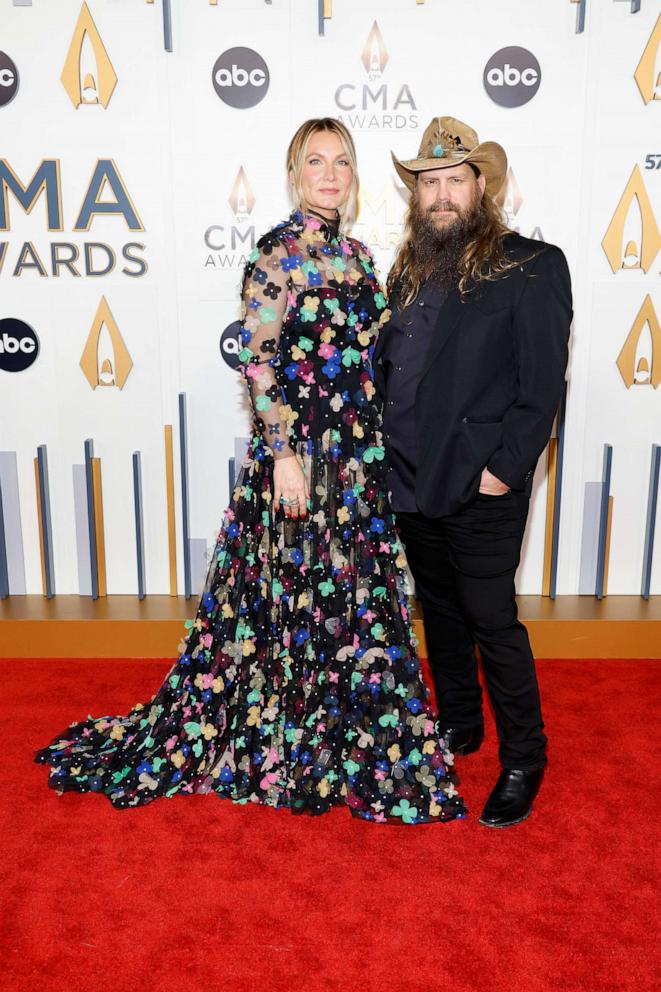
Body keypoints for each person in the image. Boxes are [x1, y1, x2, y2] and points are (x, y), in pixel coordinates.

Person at [34, 118, 466, 826]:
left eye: (342, 162)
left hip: (357, 460)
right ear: (294, 174)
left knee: (354, 601)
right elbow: (258, 360)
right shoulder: (277, 256)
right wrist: (284, 455)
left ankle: (345, 740)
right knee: (290, 599)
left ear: (354, 177)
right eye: (315, 162)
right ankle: (291, 737)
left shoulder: (360, 258)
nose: (330, 174)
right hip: (300, 457)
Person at [375, 117, 572, 828]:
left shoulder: (531, 265)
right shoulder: (405, 269)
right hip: (406, 477)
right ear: (415, 193)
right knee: (443, 611)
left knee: (491, 619)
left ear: (481, 185)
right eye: (428, 181)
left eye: (454, 178)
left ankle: (525, 757)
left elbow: (543, 382)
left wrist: (505, 469)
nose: (440, 194)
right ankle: (460, 722)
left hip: (480, 479)